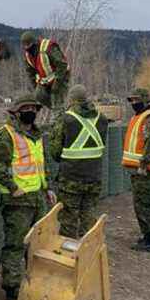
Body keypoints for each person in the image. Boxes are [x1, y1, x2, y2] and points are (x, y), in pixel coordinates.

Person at [0, 93, 52, 300]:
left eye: (34, 109)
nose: (31, 112)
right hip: (17, 201)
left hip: (38, 199)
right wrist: (13, 187)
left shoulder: (37, 135)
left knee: (38, 244)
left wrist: (47, 188)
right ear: (16, 112)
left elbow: (40, 165)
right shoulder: (6, 135)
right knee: (15, 244)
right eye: (26, 109)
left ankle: (36, 281)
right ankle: (12, 287)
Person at [48, 84, 108, 238]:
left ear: (71, 99)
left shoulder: (66, 119)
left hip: (70, 179)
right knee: (88, 216)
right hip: (94, 177)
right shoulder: (101, 118)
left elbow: (55, 151)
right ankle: (88, 252)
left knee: (68, 219)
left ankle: (69, 255)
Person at [122, 87, 150, 252]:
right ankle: (148, 237)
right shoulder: (140, 117)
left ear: (145, 100)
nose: (133, 103)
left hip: (146, 171)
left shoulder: (148, 118)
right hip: (141, 171)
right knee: (141, 204)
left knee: (146, 204)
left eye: (136, 100)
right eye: (132, 100)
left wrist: (143, 164)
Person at [20, 31, 69, 119]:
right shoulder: (28, 55)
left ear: (34, 43)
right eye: (25, 46)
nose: (27, 48)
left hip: (61, 75)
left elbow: (62, 65)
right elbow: (30, 72)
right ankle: (61, 111)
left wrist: (57, 83)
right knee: (38, 95)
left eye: (29, 45)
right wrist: (35, 86)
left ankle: (60, 118)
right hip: (45, 80)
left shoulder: (48, 47)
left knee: (56, 96)